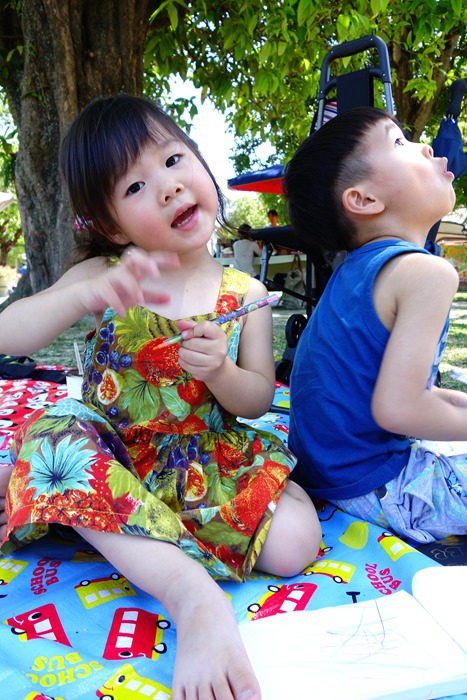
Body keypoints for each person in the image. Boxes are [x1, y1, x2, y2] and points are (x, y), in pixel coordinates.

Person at [0, 94, 321, 700]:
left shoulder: (245, 293)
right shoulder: (108, 274)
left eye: (174, 160)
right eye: (135, 186)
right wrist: (79, 298)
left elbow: (257, 398)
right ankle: (191, 595)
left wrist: (221, 372)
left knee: (297, 544)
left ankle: (49, 498)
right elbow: (9, 333)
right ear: (111, 226)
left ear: (200, 162)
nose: (169, 187)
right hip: (111, 456)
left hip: (196, 464)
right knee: (56, 440)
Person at [284, 105, 466, 545]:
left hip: (324, 474)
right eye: (399, 141)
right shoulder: (427, 273)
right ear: (364, 199)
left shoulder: (355, 270)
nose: (427, 146)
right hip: (376, 487)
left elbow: (404, 391)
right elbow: (399, 409)